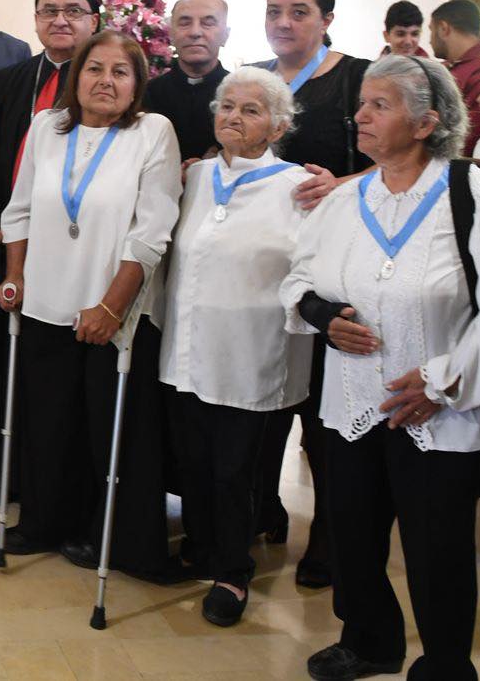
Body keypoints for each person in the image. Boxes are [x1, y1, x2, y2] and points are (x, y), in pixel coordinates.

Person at [282, 55, 480, 681]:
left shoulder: (476, 196)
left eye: (380, 105)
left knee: (437, 545)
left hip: (440, 411)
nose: (359, 116)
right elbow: (299, 277)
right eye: (361, 103)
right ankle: (368, 640)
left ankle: (446, 664)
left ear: (427, 123)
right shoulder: (347, 198)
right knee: (352, 531)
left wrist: (440, 381)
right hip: (352, 397)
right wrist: (321, 314)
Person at [0, 30, 182, 576]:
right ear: (76, 77)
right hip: (45, 299)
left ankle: (113, 538)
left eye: (120, 72)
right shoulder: (47, 127)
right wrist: (14, 277)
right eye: (94, 69)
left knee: (109, 430)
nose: (105, 81)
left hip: (112, 309)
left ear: (137, 84)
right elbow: (19, 210)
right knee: (48, 422)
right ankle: (45, 521)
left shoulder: (153, 133)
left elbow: (151, 232)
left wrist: (111, 308)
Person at [159, 67, 312, 626]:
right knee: (193, 459)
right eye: (227, 106)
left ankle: (232, 572)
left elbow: (311, 268)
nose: (233, 117)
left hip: (251, 351)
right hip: (188, 345)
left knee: (233, 470)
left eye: (251, 110)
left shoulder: (299, 187)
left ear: (278, 126)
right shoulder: (196, 177)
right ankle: (202, 545)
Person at [0, 0, 98, 502]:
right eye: (49, 10)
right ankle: (0, 468)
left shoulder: (109, 83)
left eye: (73, 11)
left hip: (77, 256)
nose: (60, 20)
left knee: (56, 373)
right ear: (35, 17)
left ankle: (53, 478)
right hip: (5, 246)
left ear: (94, 19)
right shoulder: (9, 82)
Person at [250, 0, 372, 588]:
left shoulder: (359, 79)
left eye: (299, 11)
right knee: (267, 392)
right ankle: (263, 507)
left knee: (323, 408)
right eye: (274, 10)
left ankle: (330, 532)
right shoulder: (252, 78)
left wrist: (340, 184)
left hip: (334, 264)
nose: (283, 23)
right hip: (264, 263)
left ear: (327, 19)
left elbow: (406, 160)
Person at [145, 0, 231, 162]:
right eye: (185, 23)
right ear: (171, 34)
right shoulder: (146, 95)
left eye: (208, 23)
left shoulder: (241, 96)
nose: (195, 32)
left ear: (225, 35)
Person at [428, 0, 480, 156]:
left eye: (431, 30)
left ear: (443, 28)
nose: (430, 40)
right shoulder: (446, 66)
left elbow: (467, 137)